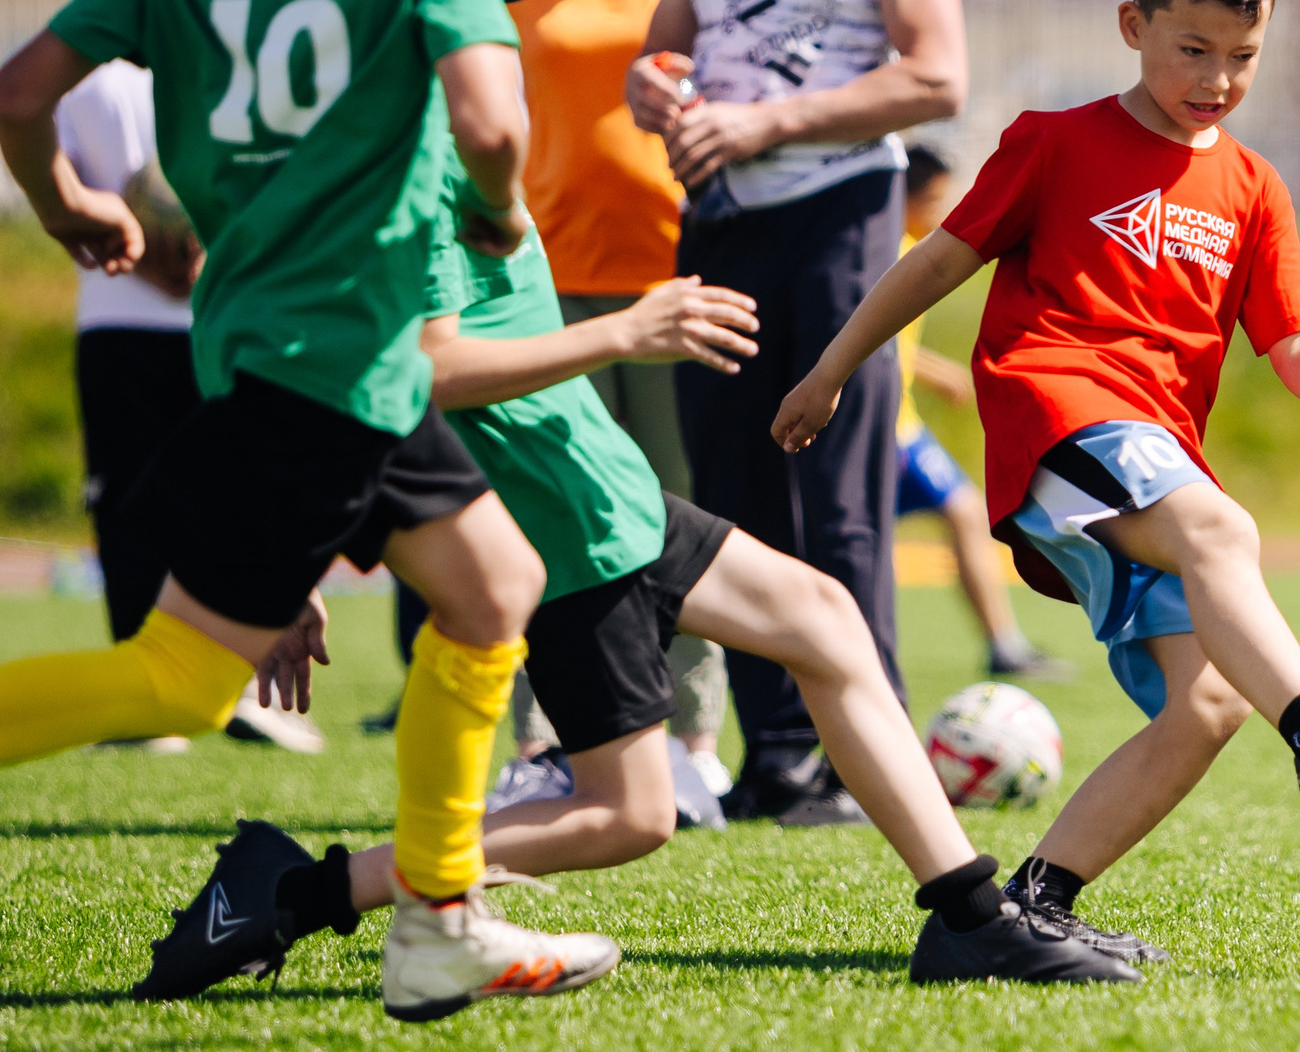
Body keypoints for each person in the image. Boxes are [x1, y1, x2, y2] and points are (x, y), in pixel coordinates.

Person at [0, 0, 614, 1021]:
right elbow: (489, 112)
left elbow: (14, 91)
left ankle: (436, 912)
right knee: (178, 679)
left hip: (267, 348)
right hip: (347, 353)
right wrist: (490, 211)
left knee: (487, 588)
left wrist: (68, 207)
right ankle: (433, 920)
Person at [136, 161, 1133, 995]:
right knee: (627, 816)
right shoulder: (408, 175)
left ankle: (968, 913)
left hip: (610, 496)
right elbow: (419, 370)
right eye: (485, 19)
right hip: (560, 528)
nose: (507, 43)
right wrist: (626, 332)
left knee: (825, 621)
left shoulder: (471, 154)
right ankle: (286, 896)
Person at [772, 0, 1300, 963]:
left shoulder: (1253, 187)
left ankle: (1026, 908)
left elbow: (1291, 345)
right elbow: (935, 263)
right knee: (1221, 533)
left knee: (1204, 702)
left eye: (1241, 55)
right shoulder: (1053, 142)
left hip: (1149, 457)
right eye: (1191, 49)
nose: (1215, 78)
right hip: (1059, 412)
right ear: (1131, 26)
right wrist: (833, 369)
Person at [625, 0, 968, 824]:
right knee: (728, 491)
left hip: (838, 215)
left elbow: (936, 76)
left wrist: (767, 121)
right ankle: (777, 754)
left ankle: (864, 759)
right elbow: (670, 52)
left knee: (838, 498)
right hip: (718, 218)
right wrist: (650, 83)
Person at [494, 0, 732, 798]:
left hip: (677, 283)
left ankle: (692, 743)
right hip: (545, 288)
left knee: (677, 509)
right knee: (550, 512)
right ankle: (543, 741)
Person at [58, 0, 323, 755]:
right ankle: (154, 692)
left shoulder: (223, 68)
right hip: (131, 322)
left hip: (213, 318)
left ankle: (225, 686)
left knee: (224, 499)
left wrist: (206, 253)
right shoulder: (96, 75)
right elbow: (64, 196)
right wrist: (148, 247)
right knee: (141, 504)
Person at [896, 144, 1068, 680]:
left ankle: (1004, 645)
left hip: (903, 426)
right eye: (932, 200)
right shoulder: (889, 251)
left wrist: (932, 371)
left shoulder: (903, 243)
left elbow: (882, 341)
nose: (939, 213)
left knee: (964, 513)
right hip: (883, 432)